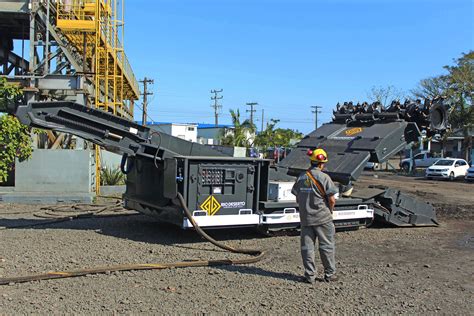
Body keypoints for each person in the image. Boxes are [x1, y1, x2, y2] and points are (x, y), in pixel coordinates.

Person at [291, 148, 339, 284]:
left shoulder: (301, 177)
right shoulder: (324, 177)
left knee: (307, 248)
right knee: (326, 247)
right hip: (322, 218)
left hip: (306, 219)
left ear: (311, 161)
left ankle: (309, 276)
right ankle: (330, 275)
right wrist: (330, 211)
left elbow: (297, 197)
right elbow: (332, 199)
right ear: (321, 164)